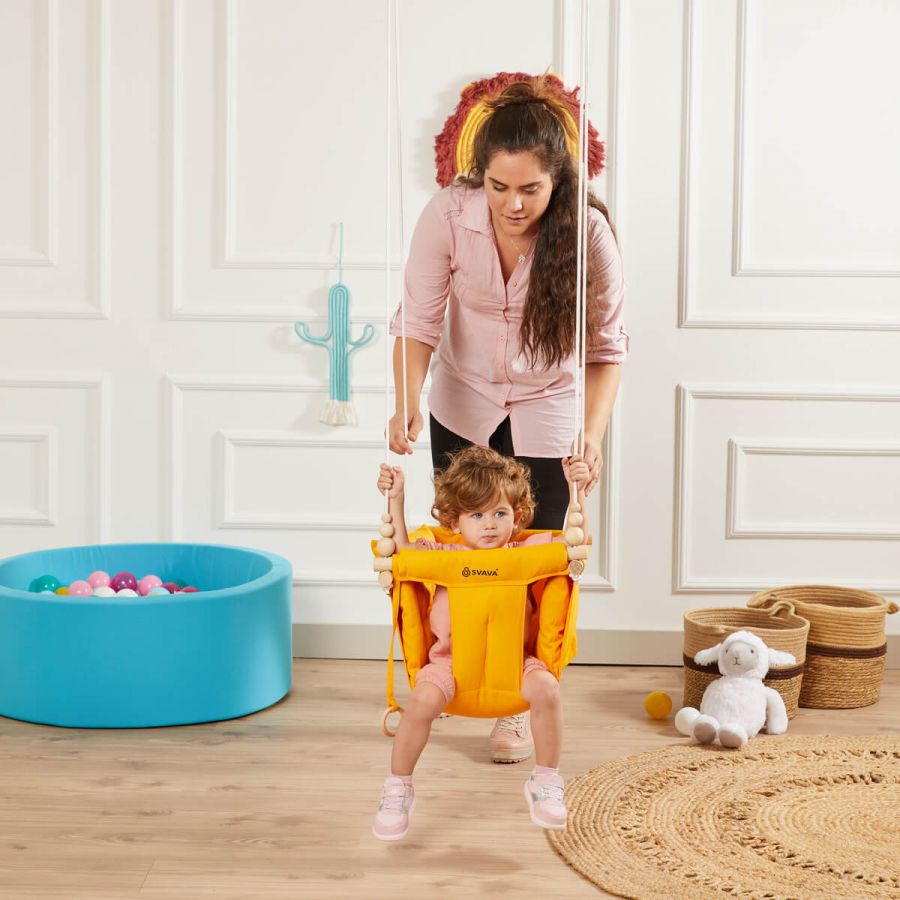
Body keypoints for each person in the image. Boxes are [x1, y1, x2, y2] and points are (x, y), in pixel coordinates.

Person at [386, 76, 628, 763]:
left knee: (537, 563)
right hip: (463, 404)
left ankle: (522, 702)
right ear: (477, 175)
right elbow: (418, 321)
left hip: (550, 411)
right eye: (498, 187)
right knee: (468, 555)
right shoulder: (446, 215)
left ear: (559, 181)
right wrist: (406, 403)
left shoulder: (587, 232)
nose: (513, 204)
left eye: (531, 190)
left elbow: (608, 349)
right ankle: (457, 674)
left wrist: (593, 433)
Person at [372, 445, 590, 840]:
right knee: (420, 702)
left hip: (514, 665)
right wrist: (396, 500)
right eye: (476, 515)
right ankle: (398, 786)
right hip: (448, 667)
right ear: (455, 521)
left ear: (517, 517)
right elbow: (402, 555)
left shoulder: (524, 551)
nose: (488, 525)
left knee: (548, 690)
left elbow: (574, 547)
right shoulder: (443, 552)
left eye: (499, 513)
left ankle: (544, 780)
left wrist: (580, 495)